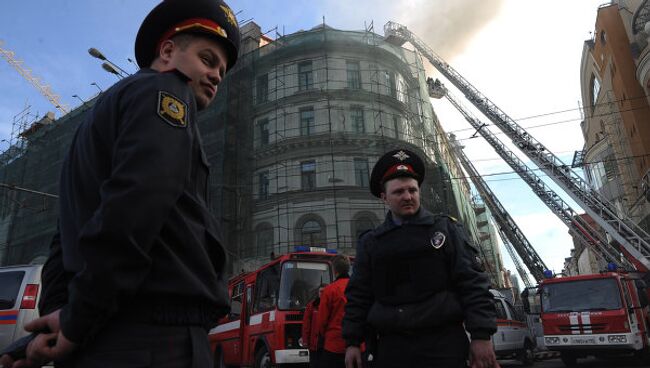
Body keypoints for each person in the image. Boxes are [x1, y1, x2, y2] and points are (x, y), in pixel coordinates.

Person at [0, 1, 240, 367]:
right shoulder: (166, 91)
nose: (216, 75)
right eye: (208, 60)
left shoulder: (103, 117)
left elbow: (65, 238)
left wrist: (63, 324)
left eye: (221, 70)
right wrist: (75, 321)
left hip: (105, 338)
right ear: (168, 51)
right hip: (157, 340)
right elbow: (138, 202)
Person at [342, 149, 499, 368]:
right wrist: (352, 342)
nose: (407, 196)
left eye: (412, 190)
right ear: (384, 197)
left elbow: (472, 284)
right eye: (398, 192)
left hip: (443, 346)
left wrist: (481, 336)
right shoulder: (371, 242)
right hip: (392, 348)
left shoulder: (446, 230)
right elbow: (359, 295)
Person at [316, 255, 351, 368]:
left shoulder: (329, 290)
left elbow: (322, 320)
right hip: (357, 345)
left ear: (334, 270)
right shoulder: (358, 287)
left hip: (334, 345)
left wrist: (323, 334)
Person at [301, 284, 326, 368]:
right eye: (321, 291)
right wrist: (305, 340)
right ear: (318, 293)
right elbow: (306, 325)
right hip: (314, 344)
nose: (322, 293)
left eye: (324, 291)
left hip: (327, 343)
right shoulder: (311, 306)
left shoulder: (330, 305)